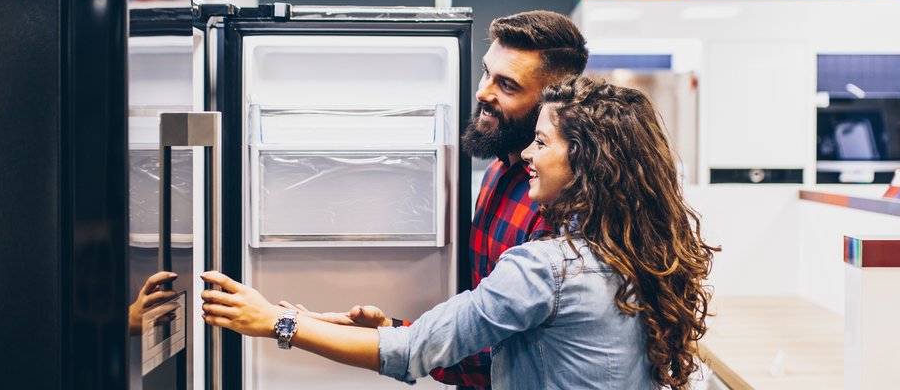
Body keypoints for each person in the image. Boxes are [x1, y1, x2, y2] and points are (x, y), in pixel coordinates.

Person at [200, 76, 720, 389]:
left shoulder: (547, 267)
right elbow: (493, 336)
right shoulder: (638, 253)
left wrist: (275, 324)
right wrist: (383, 327)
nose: (528, 157)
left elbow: (410, 352)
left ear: (584, 160)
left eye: (541, 143)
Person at [278, 9, 590, 390]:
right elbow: (477, 322)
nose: (483, 92)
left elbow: (492, 351)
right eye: (486, 71)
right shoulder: (496, 173)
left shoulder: (554, 209)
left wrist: (289, 327)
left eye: (506, 86)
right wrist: (390, 329)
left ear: (550, 102)